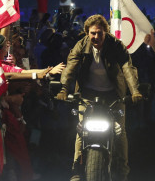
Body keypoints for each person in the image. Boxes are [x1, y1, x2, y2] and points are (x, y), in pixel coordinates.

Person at [56, 14, 142, 181]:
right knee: (81, 131)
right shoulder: (81, 45)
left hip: (113, 96)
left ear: (106, 32)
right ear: (87, 33)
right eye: (92, 33)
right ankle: (76, 170)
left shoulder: (116, 45)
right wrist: (64, 88)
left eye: (99, 33)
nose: (96, 37)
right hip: (88, 95)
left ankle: (122, 172)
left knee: (120, 133)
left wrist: (135, 91)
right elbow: (71, 66)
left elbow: (127, 67)